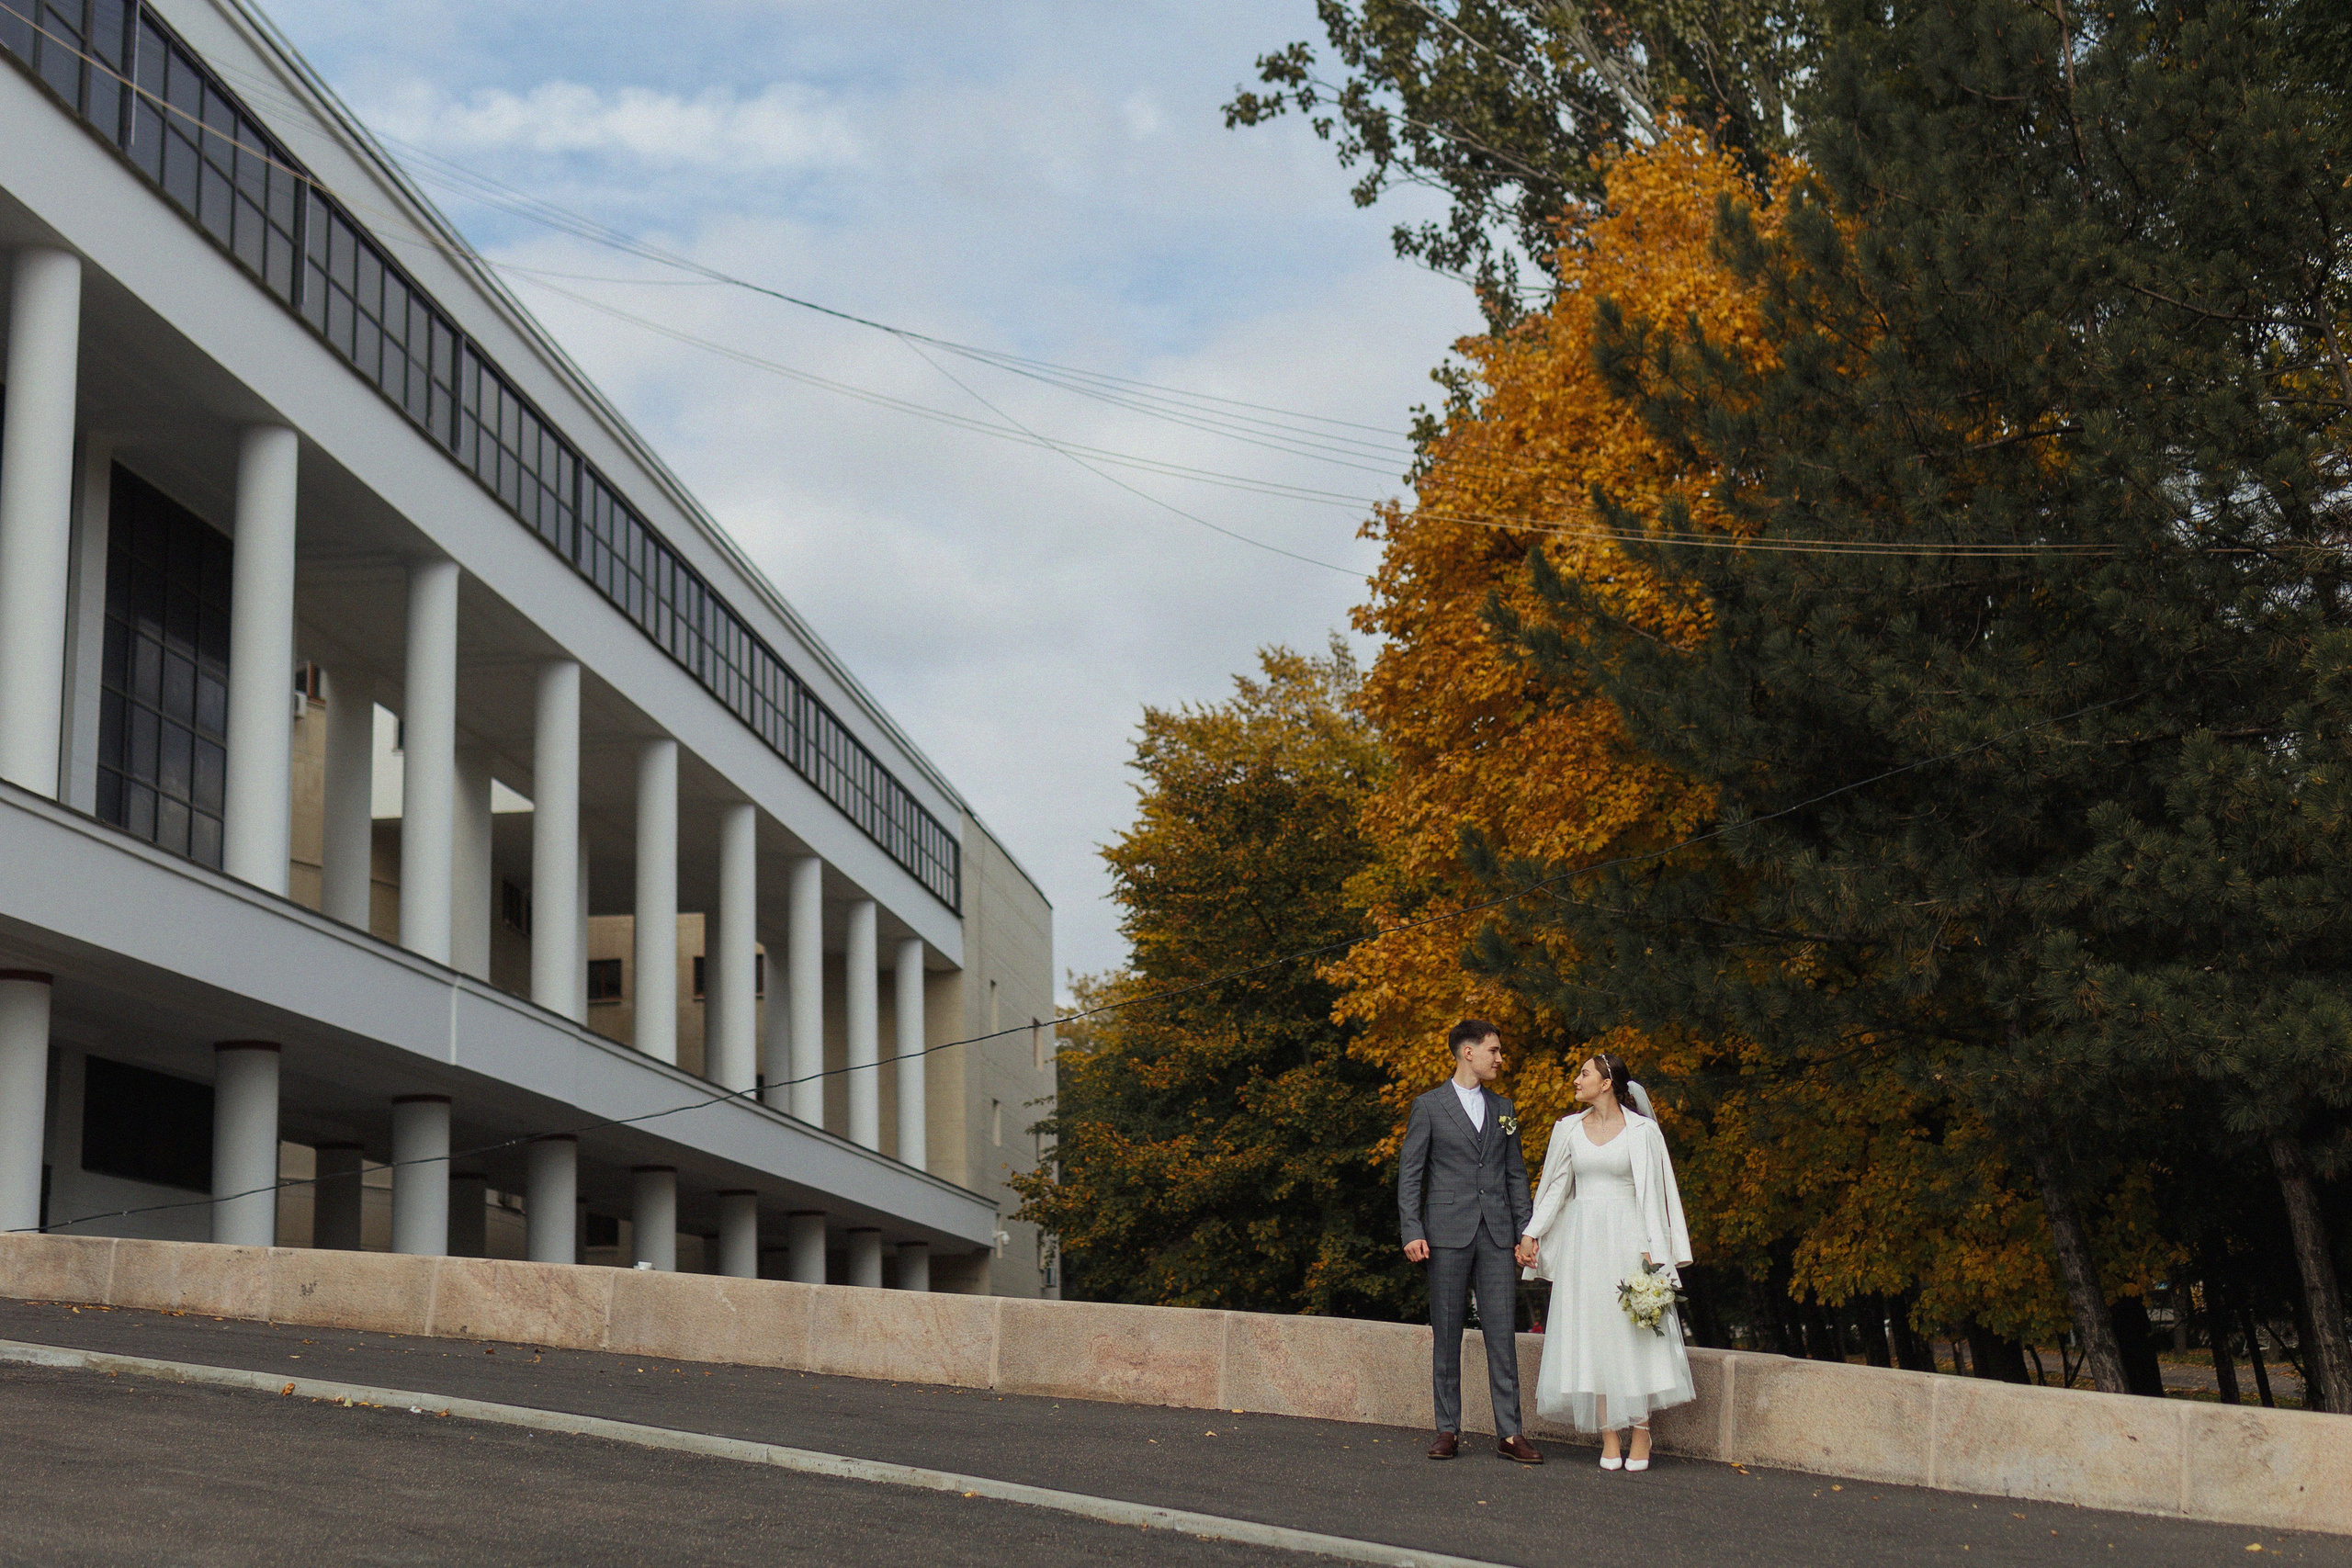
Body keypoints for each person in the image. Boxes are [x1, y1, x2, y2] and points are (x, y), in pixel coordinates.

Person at [1514, 1052, 1695, 1472]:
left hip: (1628, 1238)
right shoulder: (1568, 1130)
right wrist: (1531, 1233)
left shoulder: (1642, 1132)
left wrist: (1656, 1250)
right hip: (1584, 1243)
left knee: (1632, 1333)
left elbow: (1656, 1192)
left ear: (1607, 1082)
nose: (1576, 1080)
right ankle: (1609, 1435)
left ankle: (1642, 1431)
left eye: (1584, 1074)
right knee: (1592, 1332)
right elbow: (1556, 1186)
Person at [1397, 1020, 1544, 1464]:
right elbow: (1411, 1174)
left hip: (1498, 1234)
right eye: (1494, 1050)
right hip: (1445, 1233)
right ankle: (1447, 1429)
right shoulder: (1429, 1106)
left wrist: (1526, 1230)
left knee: (1502, 1332)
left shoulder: (1505, 1106)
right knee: (1447, 1332)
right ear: (1468, 1052)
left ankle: (1511, 1433)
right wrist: (1412, 1229)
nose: (1500, 1058)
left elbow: (1515, 1174)